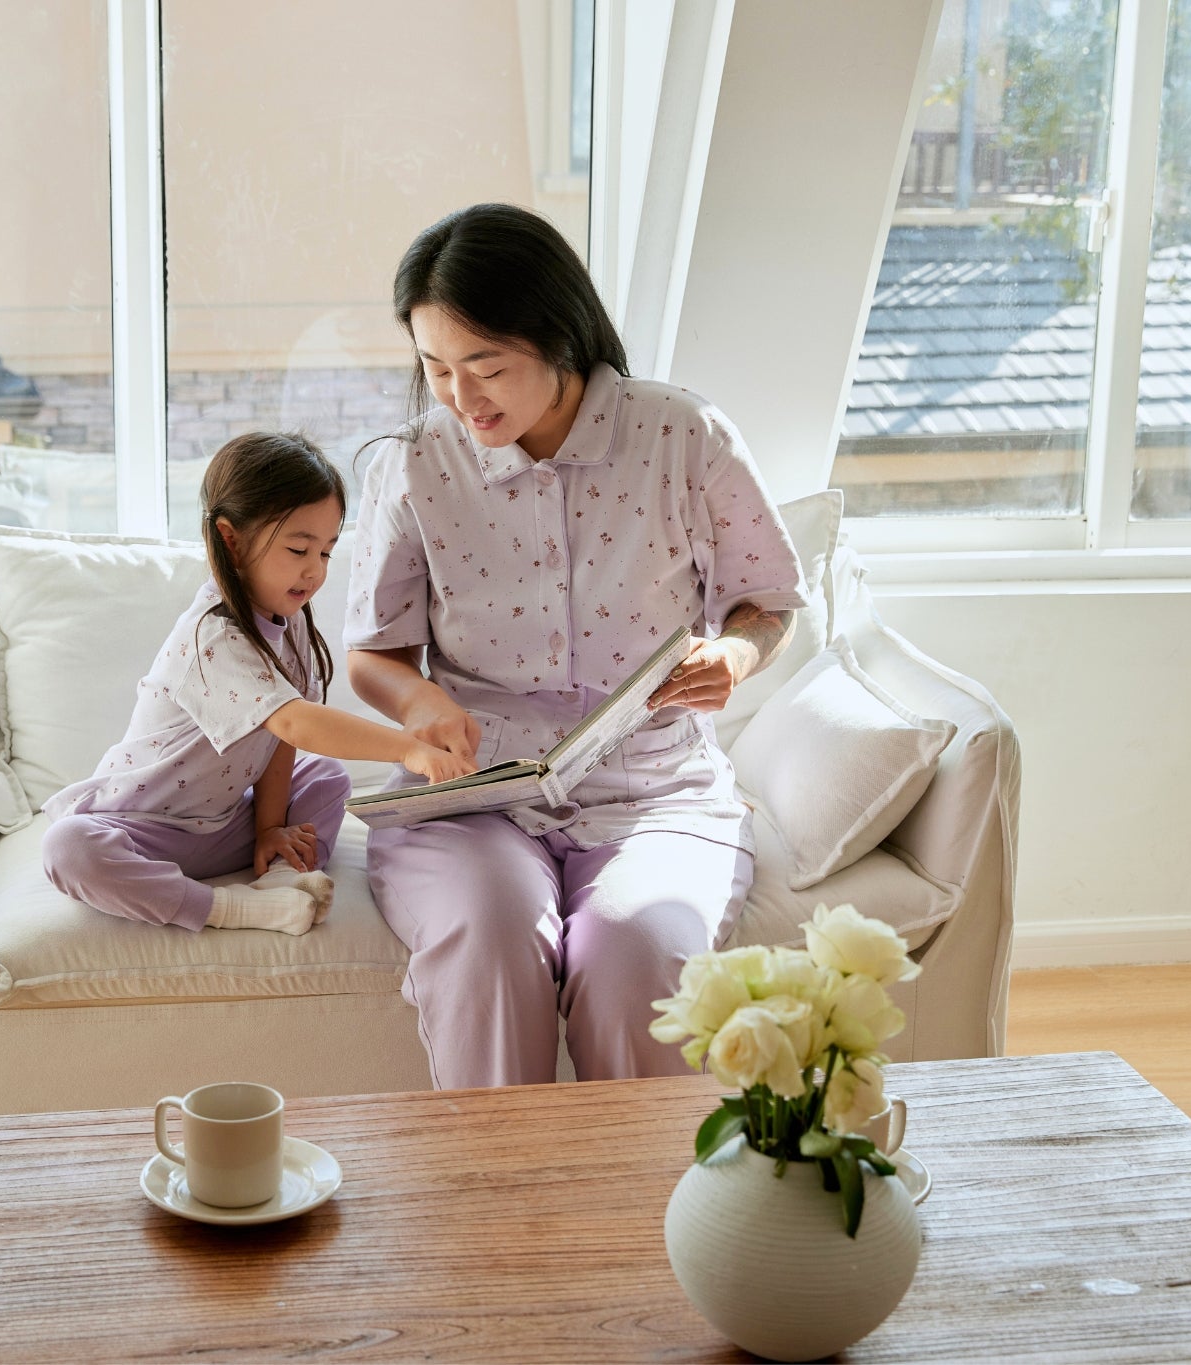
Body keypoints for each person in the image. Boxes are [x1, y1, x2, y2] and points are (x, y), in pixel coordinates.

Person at [344, 203, 808, 1084]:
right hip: (470, 799)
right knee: (487, 934)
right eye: (435, 367)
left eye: (488, 367)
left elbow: (770, 600)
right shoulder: (412, 464)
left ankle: (636, 1217)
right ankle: (502, 1211)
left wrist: (737, 656)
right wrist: (423, 702)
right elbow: (373, 652)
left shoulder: (683, 436)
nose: (460, 397)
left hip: (653, 792)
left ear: (560, 337)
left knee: (637, 952)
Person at [41, 432, 474, 936]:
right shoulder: (213, 635)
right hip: (144, 830)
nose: (314, 571)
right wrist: (408, 750)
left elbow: (281, 743)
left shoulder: (290, 631)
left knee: (326, 777)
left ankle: (284, 875)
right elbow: (295, 721)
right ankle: (231, 908)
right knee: (69, 847)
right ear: (232, 539)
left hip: (221, 825)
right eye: (298, 549)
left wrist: (270, 830)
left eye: (328, 553)